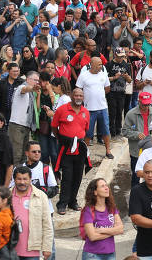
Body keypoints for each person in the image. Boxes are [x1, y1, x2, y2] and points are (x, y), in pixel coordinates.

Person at [51, 87, 90, 215]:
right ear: (72, 96)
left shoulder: (85, 112)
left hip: (80, 148)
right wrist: (62, 139)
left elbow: (86, 129)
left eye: (80, 95)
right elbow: (54, 127)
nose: (78, 97)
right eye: (76, 95)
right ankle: (62, 203)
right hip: (66, 147)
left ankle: (72, 201)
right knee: (67, 176)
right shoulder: (62, 110)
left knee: (78, 176)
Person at [10, 165, 54, 260]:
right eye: (19, 179)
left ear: (30, 179)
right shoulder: (7, 195)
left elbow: (47, 224)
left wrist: (47, 247)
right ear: (14, 179)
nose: (22, 182)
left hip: (32, 251)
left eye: (25, 179)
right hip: (10, 250)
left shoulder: (40, 196)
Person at [123, 91, 152, 186]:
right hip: (137, 151)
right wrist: (136, 134)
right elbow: (124, 131)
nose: (146, 107)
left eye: (148, 104)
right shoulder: (131, 114)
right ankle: (135, 197)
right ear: (138, 102)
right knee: (136, 175)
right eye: (144, 104)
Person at [76, 57, 113, 159]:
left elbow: (107, 88)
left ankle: (108, 150)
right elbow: (78, 90)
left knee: (106, 130)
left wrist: (98, 96)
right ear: (91, 64)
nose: (101, 66)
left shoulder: (103, 74)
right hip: (88, 109)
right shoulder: (83, 76)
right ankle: (85, 152)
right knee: (88, 132)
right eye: (98, 64)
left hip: (102, 107)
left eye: (101, 64)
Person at [80, 177, 124, 260]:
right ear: (95, 192)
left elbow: (121, 229)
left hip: (111, 253)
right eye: (102, 186)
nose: (106, 188)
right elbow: (92, 236)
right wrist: (113, 231)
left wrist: (100, 230)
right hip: (92, 255)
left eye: (106, 185)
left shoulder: (111, 208)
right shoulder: (88, 210)